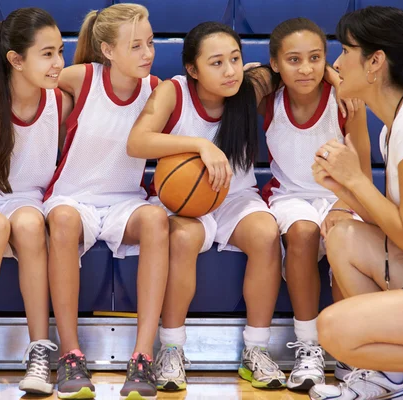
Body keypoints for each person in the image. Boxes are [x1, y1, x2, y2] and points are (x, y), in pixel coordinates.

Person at [128, 21, 287, 391]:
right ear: (192, 69)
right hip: (183, 201)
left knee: (266, 233)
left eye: (235, 59)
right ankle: (171, 349)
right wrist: (199, 145)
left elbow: (292, 68)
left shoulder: (251, 86)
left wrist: (329, 71)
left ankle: (257, 350)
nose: (230, 70)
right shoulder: (173, 91)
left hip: (236, 196)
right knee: (183, 238)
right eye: (216, 63)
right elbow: (137, 143)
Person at [306, 6, 403, 400]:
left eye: (345, 50)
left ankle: (395, 374)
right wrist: (344, 189)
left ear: (374, 63)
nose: (336, 62)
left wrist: (354, 178)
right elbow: (399, 226)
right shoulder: (395, 125)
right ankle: (392, 379)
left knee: (333, 329)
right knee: (342, 235)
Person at [43, 4, 168, 399]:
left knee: (156, 222)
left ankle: (143, 357)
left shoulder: (157, 88)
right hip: (72, 197)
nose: (147, 53)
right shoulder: (82, 77)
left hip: (124, 202)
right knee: (61, 221)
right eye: (135, 46)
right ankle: (70, 354)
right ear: (108, 50)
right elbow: (23, 82)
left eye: (149, 42)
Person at [0, 7, 72, 396]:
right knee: (1, 223)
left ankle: (40, 354)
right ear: (15, 59)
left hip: (28, 203)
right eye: (47, 53)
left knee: (26, 224)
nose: (59, 62)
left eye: (61, 51)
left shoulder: (59, 100)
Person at [257, 17, 371, 391]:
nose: (305, 68)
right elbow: (231, 81)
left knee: (343, 238)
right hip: (290, 195)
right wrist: (251, 74)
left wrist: (341, 203)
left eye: (315, 57)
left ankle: (349, 351)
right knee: (303, 233)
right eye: (293, 60)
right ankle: (309, 348)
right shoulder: (267, 99)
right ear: (275, 63)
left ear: (327, 58)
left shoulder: (347, 102)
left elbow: (364, 169)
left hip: (343, 194)